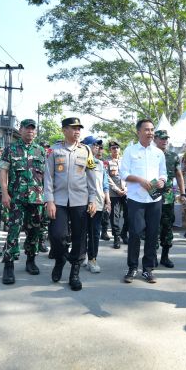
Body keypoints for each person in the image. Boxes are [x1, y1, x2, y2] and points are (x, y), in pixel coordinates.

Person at [44, 118, 97, 291]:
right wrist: (49, 200)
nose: (77, 131)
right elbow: (48, 177)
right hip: (58, 200)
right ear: (64, 130)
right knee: (57, 235)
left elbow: (91, 176)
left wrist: (92, 199)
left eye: (79, 129)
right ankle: (60, 259)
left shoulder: (86, 150)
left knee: (80, 238)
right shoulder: (54, 150)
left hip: (80, 200)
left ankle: (74, 271)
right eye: (73, 128)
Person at [0, 119, 47, 284]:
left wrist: (47, 197)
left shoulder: (41, 150)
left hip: (37, 199)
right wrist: (5, 193)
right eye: (27, 129)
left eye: (33, 129)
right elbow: (3, 172)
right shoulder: (10, 149)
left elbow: (46, 176)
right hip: (17, 198)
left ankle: (31, 260)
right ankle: (9, 265)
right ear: (20, 130)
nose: (30, 132)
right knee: (13, 230)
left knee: (34, 231)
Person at [120, 119, 166, 284]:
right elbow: (124, 174)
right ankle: (132, 267)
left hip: (155, 198)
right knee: (135, 233)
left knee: (153, 234)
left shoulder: (159, 153)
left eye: (152, 129)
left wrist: (161, 181)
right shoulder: (130, 151)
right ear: (138, 132)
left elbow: (164, 174)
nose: (150, 133)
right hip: (136, 199)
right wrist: (139, 180)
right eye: (146, 130)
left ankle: (148, 269)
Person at [154, 130, 184, 268]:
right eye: (161, 138)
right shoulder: (151, 154)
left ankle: (165, 257)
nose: (164, 141)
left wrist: (183, 194)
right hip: (152, 194)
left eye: (166, 138)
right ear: (155, 139)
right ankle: (152, 255)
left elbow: (179, 175)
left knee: (167, 226)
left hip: (168, 195)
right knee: (153, 226)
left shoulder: (173, 156)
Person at [82, 135, 110, 274]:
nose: (96, 147)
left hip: (97, 203)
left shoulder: (100, 164)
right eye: (94, 144)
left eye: (97, 145)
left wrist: (108, 200)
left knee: (94, 233)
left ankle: (92, 258)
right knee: (81, 232)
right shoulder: (78, 161)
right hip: (80, 202)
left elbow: (105, 184)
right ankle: (81, 256)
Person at [106, 141, 128, 248]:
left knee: (129, 215)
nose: (115, 150)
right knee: (115, 216)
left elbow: (129, 174)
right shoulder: (107, 162)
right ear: (110, 150)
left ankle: (124, 233)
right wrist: (117, 189)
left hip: (126, 192)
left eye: (117, 148)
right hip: (114, 193)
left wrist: (126, 188)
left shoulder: (125, 161)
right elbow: (107, 178)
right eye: (113, 148)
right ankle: (116, 237)